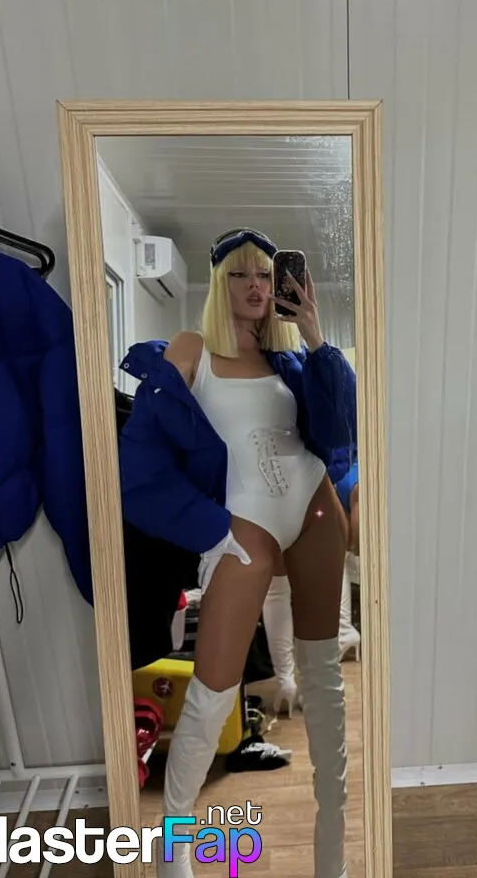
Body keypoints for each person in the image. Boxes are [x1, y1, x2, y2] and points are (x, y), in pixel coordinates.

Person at [117, 228, 355, 878]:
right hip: (241, 522)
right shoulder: (190, 349)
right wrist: (207, 528)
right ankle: (174, 847)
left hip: (314, 507)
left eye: (266, 275)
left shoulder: (291, 357)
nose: (256, 286)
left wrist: (314, 335)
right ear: (219, 283)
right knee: (213, 687)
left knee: (324, 681)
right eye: (240, 275)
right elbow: (139, 462)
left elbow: (337, 432)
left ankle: (332, 854)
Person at [263, 450, 360, 719]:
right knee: (321, 581)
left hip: (266, 487)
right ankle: (315, 684)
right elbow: (339, 450)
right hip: (316, 488)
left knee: (276, 590)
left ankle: (286, 681)